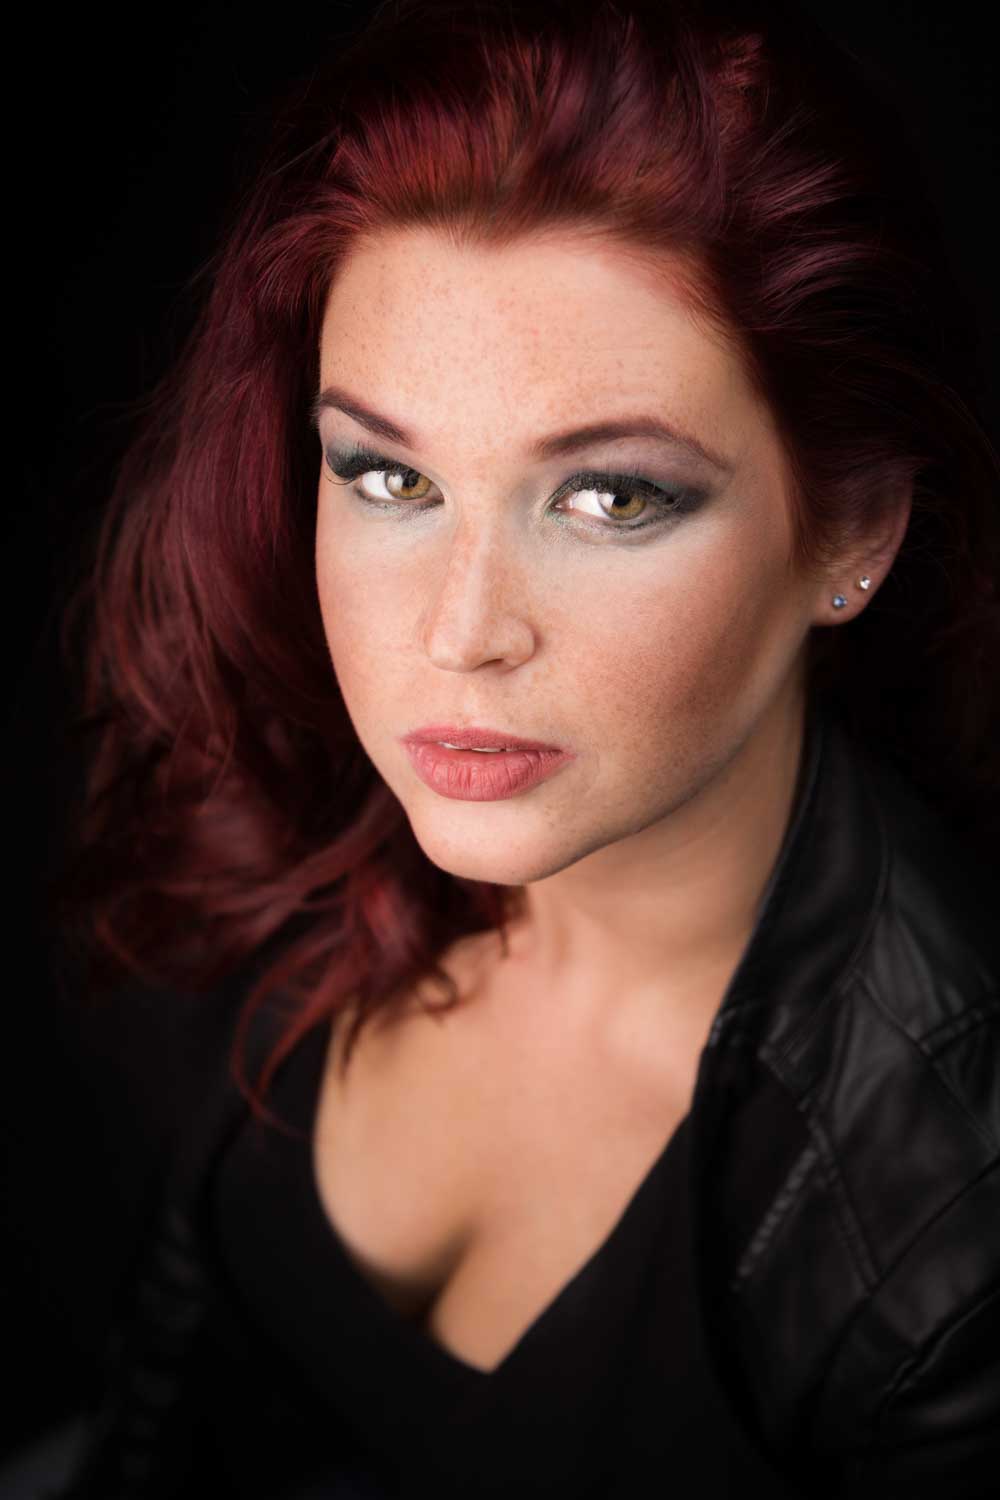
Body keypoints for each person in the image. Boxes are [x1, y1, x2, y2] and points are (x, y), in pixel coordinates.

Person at [33, 0, 999, 1496]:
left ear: (853, 526)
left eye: (610, 497)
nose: (458, 633)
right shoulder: (299, 801)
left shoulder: (948, 1219)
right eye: (387, 474)